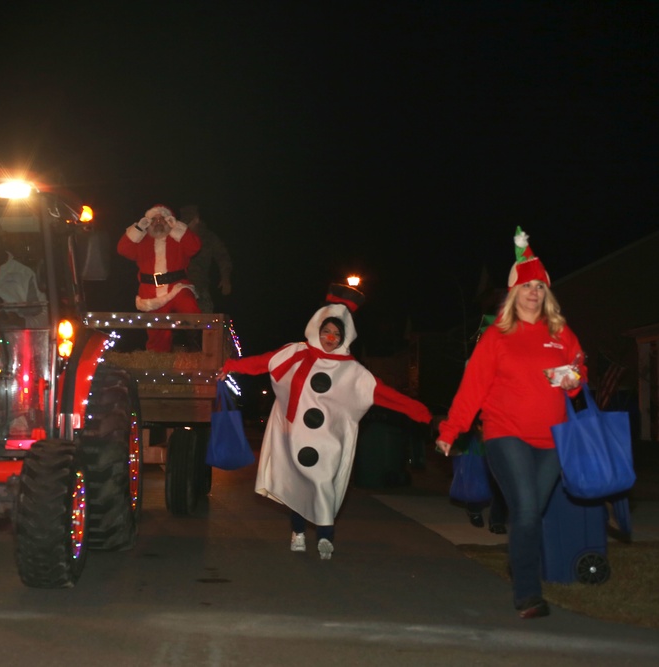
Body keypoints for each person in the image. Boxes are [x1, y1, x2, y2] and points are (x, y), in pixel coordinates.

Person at [435, 226, 586, 620]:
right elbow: (473, 387)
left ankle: (519, 560)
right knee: (526, 509)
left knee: (530, 513)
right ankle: (528, 594)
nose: (534, 292)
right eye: (527, 285)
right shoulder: (497, 336)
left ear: (547, 292)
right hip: (506, 433)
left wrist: (571, 378)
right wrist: (451, 430)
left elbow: (577, 378)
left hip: (552, 439)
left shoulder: (561, 333)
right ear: (514, 291)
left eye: (540, 286)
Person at [217, 284, 432, 560]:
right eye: (326, 331)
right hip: (294, 437)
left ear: (345, 336)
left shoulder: (352, 370)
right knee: (298, 484)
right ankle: (298, 533)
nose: (330, 338)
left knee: (322, 484)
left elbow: (382, 394)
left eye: (336, 334)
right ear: (317, 329)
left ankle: (325, 537)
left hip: (328, 441)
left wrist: (420, 412)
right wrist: (231, 366)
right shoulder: (296, 353)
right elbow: (262, 363)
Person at [117, 205, 202, 352]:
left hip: (177, 287)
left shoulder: (178, 238)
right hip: (151, 293)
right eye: (154, 219)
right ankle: (158, 359)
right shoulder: (142, 240)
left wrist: (177, 227)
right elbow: (123, 249)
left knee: (193, 313)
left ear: (168, 221)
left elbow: (195, 247)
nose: (158, 222)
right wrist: (138, 228)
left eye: (162, 219)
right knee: (157, 335)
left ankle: (199, 347)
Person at [179, 205, 232, 313]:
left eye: (188, 222)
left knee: (205, 316)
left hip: (200, 285)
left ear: (196, 220)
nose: (186, 226)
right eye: (184, 222)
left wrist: (225, 278)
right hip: (179, 286)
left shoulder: (209, 237)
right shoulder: (177, 236)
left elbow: (223, 257)